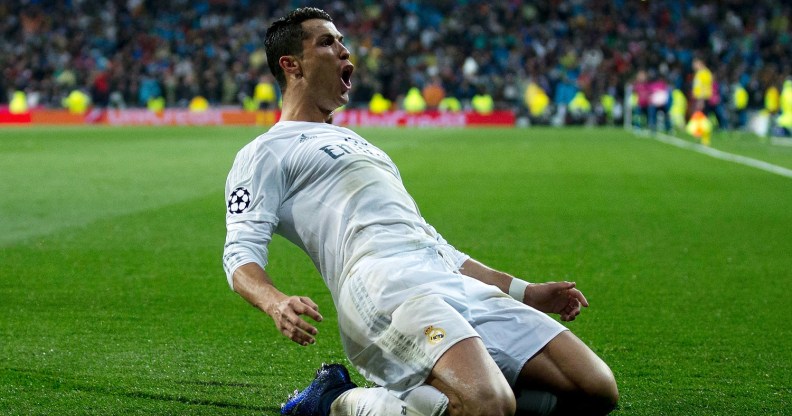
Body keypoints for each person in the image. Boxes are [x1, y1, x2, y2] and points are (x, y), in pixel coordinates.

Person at [222, 7, 618, 416]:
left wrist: (525, 291)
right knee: (489, 404)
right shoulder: (266, 151)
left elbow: (433, 242)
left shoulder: (364, 145)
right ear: (291, 65)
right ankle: (335, 401)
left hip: (444, 276)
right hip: (383, 284)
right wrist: (275, 302)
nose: (344, 50)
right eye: (327, 42)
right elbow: (239, 253)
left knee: (595, 389)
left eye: (342, 41)